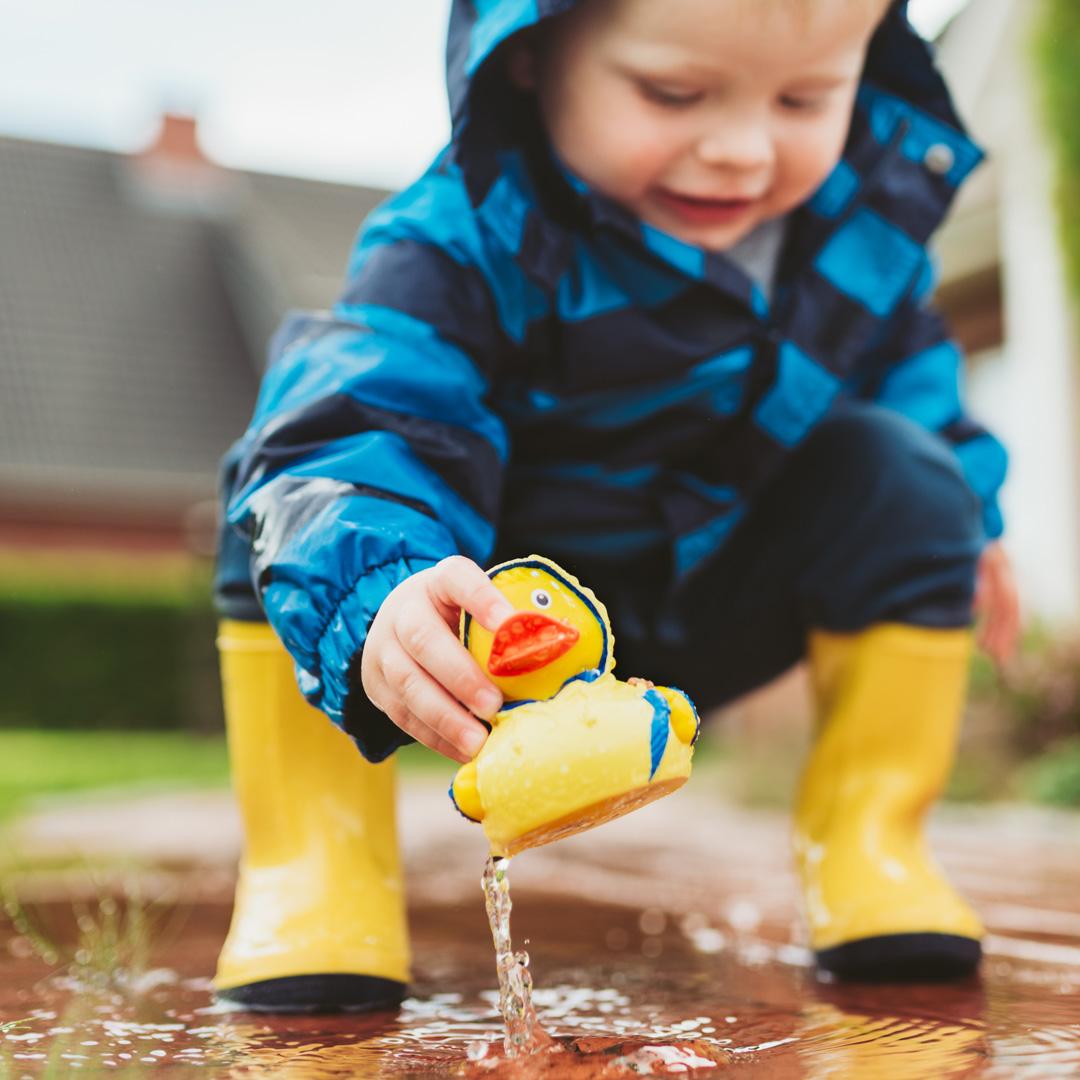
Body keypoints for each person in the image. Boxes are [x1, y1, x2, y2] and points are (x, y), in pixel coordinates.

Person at [213, 0, 1021, 1011]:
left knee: (904, 470)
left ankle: (869, 846)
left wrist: (965, 518)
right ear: (529, 58)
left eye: (804, 98)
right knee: (300, 497)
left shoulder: (855, 233)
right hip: (503, 633)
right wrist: (382, 595)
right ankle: (317, 868)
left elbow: (910, 379)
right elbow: (366, 412)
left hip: (712, 603)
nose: (740, 150)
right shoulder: (465, 237)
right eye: (673, 93)